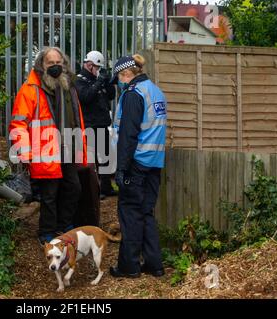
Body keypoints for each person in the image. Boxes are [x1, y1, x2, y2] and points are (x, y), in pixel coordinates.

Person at [9, 47, 87, 245]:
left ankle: (64, 226)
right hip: (44, 151)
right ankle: (47, 233)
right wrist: (25, 152)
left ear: (64, 63)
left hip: (68, 147)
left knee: (73, 188)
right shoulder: (30, 90)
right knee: (49, 195)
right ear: (41, 66)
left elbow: (77, 119)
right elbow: (19, 123)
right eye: (50, 63)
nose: (55, 67)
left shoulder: (68, 87)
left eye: (58, 63)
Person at [108, 54, 167, 278]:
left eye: (120, 78)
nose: (120, 84)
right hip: (154, 163)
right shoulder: (156, 91)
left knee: (130, 214)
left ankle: (128, 266)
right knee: (145, 213)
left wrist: (121, 168)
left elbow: (128, 136)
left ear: (126, 74)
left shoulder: (133, 95)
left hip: (136, 163)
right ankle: (154, 264)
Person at [75, 51, 117, 199]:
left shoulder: (97, 79)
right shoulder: (79, 80)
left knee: (106, 158)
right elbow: (86, 97)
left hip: (102, 124)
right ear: (89, 65)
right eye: (97, 67)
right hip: (89, 126)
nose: (99, 70)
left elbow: (110, 96)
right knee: (91, 161)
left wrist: (108, 82)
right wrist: (99, 82)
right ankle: (93, 191)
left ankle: (106, 188)